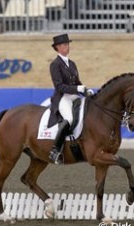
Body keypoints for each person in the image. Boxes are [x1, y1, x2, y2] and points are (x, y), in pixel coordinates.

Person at [49, 33, 94, 164]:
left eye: (67, 44)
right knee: (69, 119)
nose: (67, 47)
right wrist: (77, 89)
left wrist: (85, 90)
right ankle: (55, 150)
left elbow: (77, 82)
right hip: (63, 97)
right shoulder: (55, 64)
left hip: (74, 96)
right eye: (64, 45)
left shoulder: (72, 64)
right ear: (57, 47)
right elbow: (59, 86)